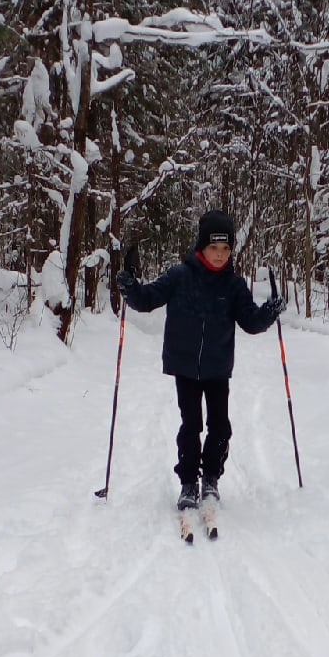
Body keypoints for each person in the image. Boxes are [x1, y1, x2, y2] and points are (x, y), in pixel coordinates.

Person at [116, 210, 284, 510]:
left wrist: (269, 311)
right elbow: (147, 299)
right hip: (185, 365)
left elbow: (251, 322)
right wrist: (130, 287)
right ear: (201, 247)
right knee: (191, 425)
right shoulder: (180, 276)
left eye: (225, 249)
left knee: (220, 426)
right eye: (213, 248)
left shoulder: (234, 285)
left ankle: (211, 479)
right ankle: (188, 483)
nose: (219, 255)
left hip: (218, 368)